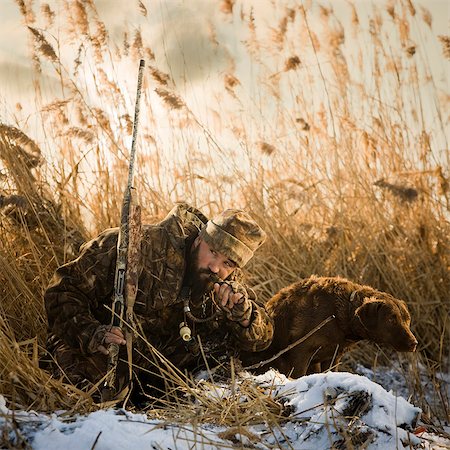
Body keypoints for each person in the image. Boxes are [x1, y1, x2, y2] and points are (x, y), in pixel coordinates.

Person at [44, 203, 273, 400]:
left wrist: (243, 316)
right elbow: (63, 291)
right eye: (212, 251)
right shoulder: (134, 245)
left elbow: (263, 339)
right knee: (82, 396)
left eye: (228, 263)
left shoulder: (228, 284)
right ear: (199, 239)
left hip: (162, 378)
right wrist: (93, 333)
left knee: (227, 372)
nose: (215, 267)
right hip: (102, 354)